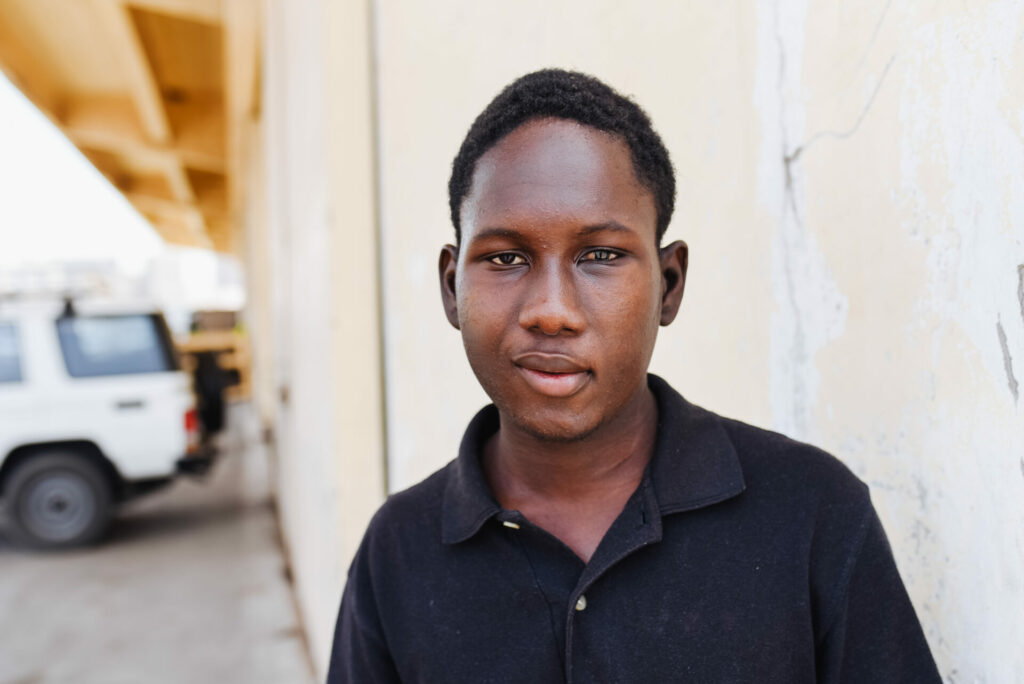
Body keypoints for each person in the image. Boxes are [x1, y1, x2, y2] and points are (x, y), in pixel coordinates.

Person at [327, 69, 941, 683]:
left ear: (669, 285)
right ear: (451, 287)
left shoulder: (812, 513)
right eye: (505, 258)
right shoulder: (398, 553)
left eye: (600, 256)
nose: (552, 311)